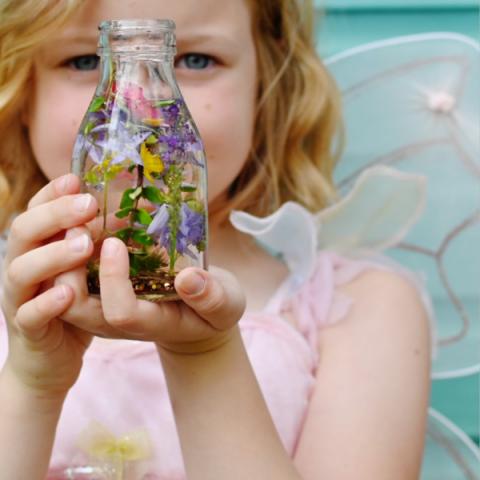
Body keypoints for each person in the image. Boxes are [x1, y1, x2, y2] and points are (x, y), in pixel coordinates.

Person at [0, 0, 432, 478]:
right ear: (21, 93)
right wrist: (30, 383)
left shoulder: (359, 311)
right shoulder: (14, 315)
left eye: (196, 60)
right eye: (88, 61)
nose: (142, 111)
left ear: (268, 87)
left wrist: (201, 353)